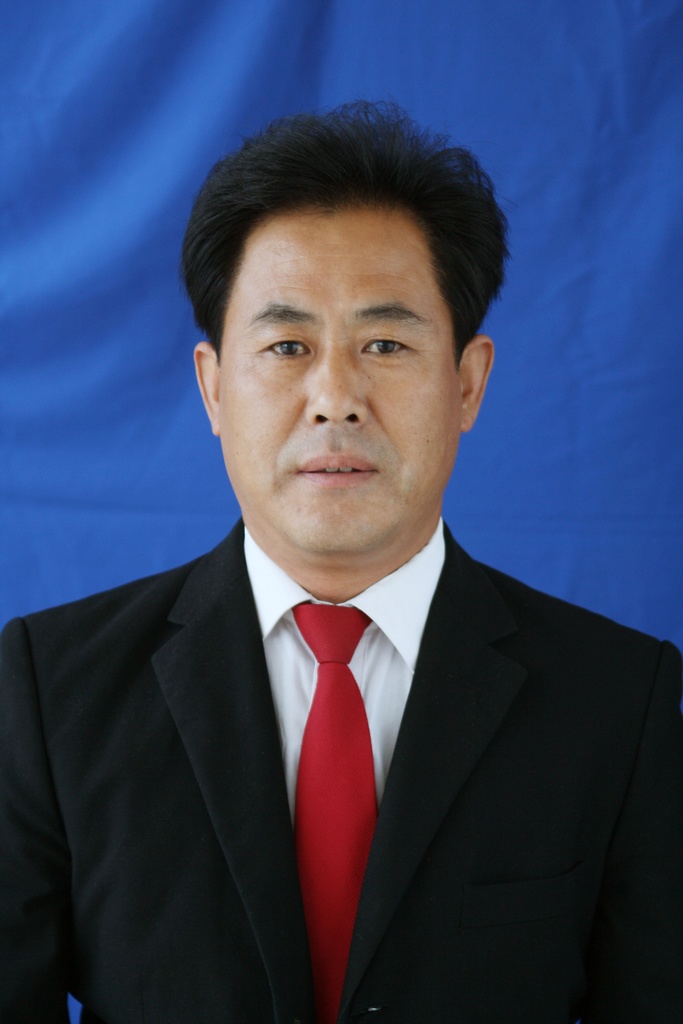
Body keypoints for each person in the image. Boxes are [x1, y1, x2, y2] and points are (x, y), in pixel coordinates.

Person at [1, 101, 682, 1024]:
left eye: (385, 344)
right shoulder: (51, 691)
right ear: (212, 387)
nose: (335, 398)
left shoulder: (617, 701)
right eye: (287, 346)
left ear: (467, 381)